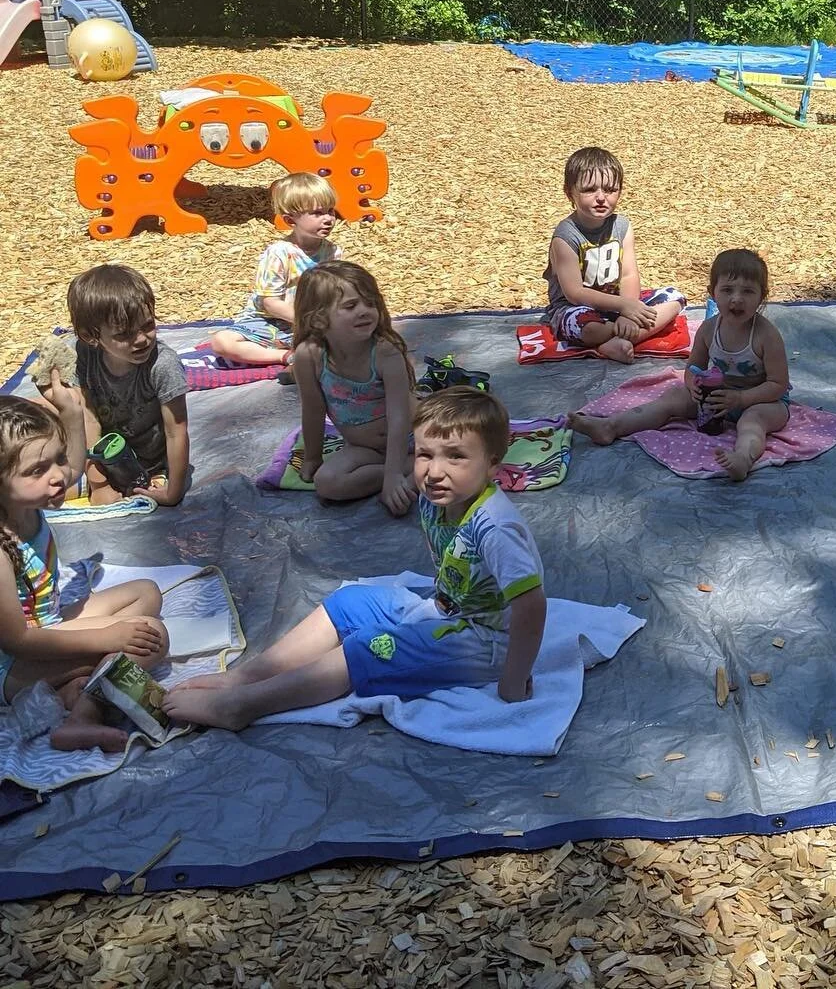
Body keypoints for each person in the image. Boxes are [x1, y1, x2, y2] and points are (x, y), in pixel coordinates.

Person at [163, 387, 546, 729]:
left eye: (456, 457)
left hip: (484, 643)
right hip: (443, 610)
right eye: (425, 454)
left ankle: (243, 705)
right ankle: (245, 678)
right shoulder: (437, 494)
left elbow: (530, 606)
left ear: (493, 464)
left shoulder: (495, 528)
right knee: (350, 602)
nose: (434, 472)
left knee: (369, 649)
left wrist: (513, 678)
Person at [0, 398, 169, 752]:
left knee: (146, 593)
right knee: (152, 635)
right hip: (14, 664)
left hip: (49, 624)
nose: (59, 476)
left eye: (58, 459)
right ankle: (84, 716)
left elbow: (76, 467)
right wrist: (107, 637)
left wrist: (72, 415)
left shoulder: (30, 499)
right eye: (38, 470)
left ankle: (76, 687)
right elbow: (17, 641)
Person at [569, 248, 789, 481]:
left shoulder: (766, 335)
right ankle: (611, 427)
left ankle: (743, 458)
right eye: (727, 290)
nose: (736, 298)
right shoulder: (709, 329)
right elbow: (693, 368)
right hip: (719, 398)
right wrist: (693, 386)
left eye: (747, 291)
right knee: (673, 397)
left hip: (763, 401)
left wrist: (742, 399)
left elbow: (778, 384)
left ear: (762, 296)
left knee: (752, 421)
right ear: (712, 293)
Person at [39, 264, 189, 507]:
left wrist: (174, 492)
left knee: (43, 493)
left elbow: (176, 430)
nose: (141, 339)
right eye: (123, 334)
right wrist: (99, 481)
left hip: (142, 465)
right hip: (99, 455)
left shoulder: (162, 365)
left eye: (148, 325)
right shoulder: (85, 352)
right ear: (91, 337)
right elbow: (89, 417)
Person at [290, 260, 416, 515]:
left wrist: (392, 476)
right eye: (351, 305)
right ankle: (417, 470)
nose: (365, 310)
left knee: (464, 451)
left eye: (370, 303)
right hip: (365, 450)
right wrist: (313, 457)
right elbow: (313, 411)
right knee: (327, 483)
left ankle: (419, 466)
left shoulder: (384, 351)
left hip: (416, 437)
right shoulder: (309, 355)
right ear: (318, 319)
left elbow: (399, 416)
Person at [543, 146, 685, 363]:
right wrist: (624, 308)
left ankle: (619, 339)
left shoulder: (622, 226)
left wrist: (628, 310)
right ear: (569, 192)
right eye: (590, 190)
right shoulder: (565, 236)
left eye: (610, 190)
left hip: (619, 304)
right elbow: (574, 293)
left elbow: (628, 274)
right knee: (586, 327)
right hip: (576, 309)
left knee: (674, 297)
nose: (601, 198)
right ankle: (618, 338)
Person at [209, 172, 342, 367]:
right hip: (268, 322)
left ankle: (306, 355)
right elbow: (270, 303)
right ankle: (285, 357)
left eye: (330, 211)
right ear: (290, 221)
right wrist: (307, 321)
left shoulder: (333, 251)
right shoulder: (279, 253)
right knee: (222, 342)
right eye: (317, 213)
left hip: (311, 322)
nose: (328, 219)